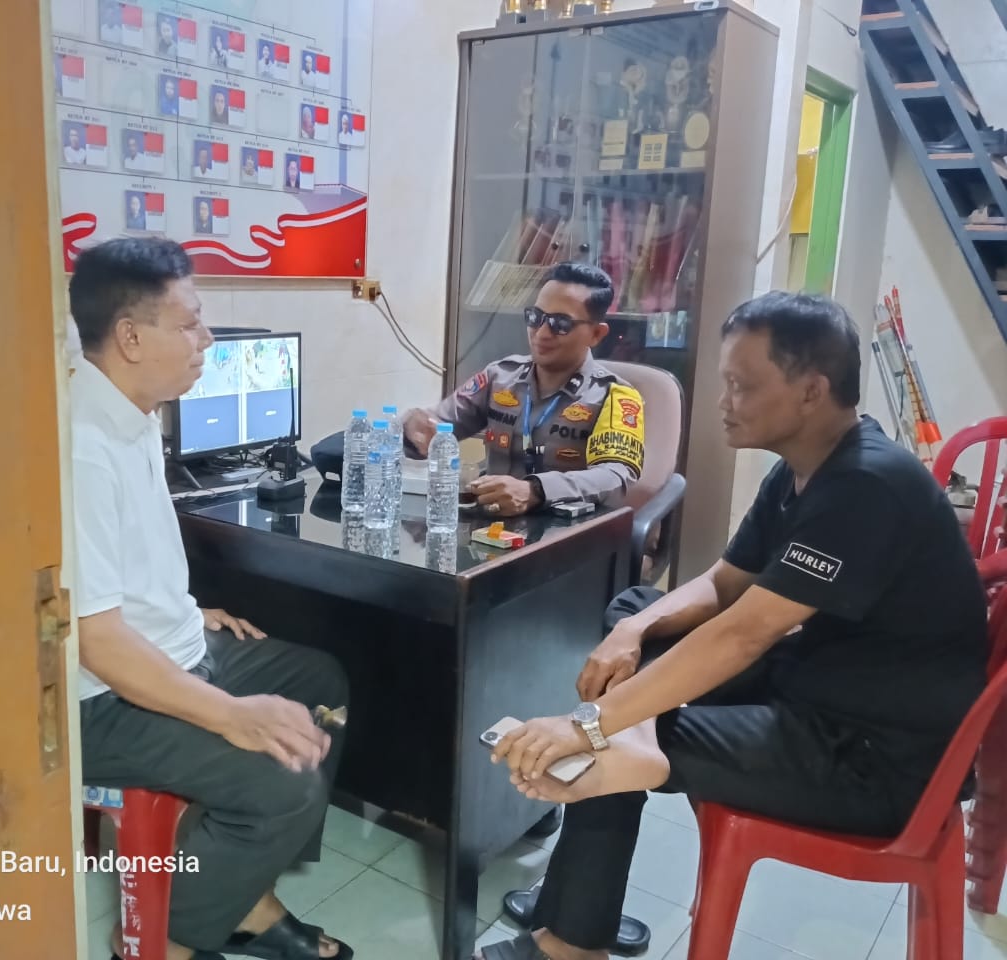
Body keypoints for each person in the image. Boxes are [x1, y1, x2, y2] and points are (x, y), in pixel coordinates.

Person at [480, 292, 988, 960]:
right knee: (636, 612)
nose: (723, 401)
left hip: (874, 760)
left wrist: (588, 725)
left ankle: (573, 937)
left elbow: (746, 631)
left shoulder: (869, 486)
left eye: (741, 386)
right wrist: (634, 634)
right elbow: (724, 584)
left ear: (812, 391)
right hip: (817, 691)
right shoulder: (802, 470)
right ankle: (583, 896)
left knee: (605, 743)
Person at [70, 237, 355, 960]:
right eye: (191, 322)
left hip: (172, 643)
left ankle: (245, 895)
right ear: (131, 338)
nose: (207, 339)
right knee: (283, 781)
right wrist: (232, 715)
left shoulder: (132, 411)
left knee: (321, 680)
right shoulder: (80, 446)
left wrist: (184, 611)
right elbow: (96, 640)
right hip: (102, 699)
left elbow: (112, 572)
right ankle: (159, 939)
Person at [402, 263, 644, 517]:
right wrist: (413, 428)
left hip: (566, 532)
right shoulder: (500, 377)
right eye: (535, 317)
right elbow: (437, 424)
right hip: (490, 526)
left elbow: (615, 477)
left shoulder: (614, 396)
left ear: (596, 334)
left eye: (560, 323)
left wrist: (536, 491)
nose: (542, 333)